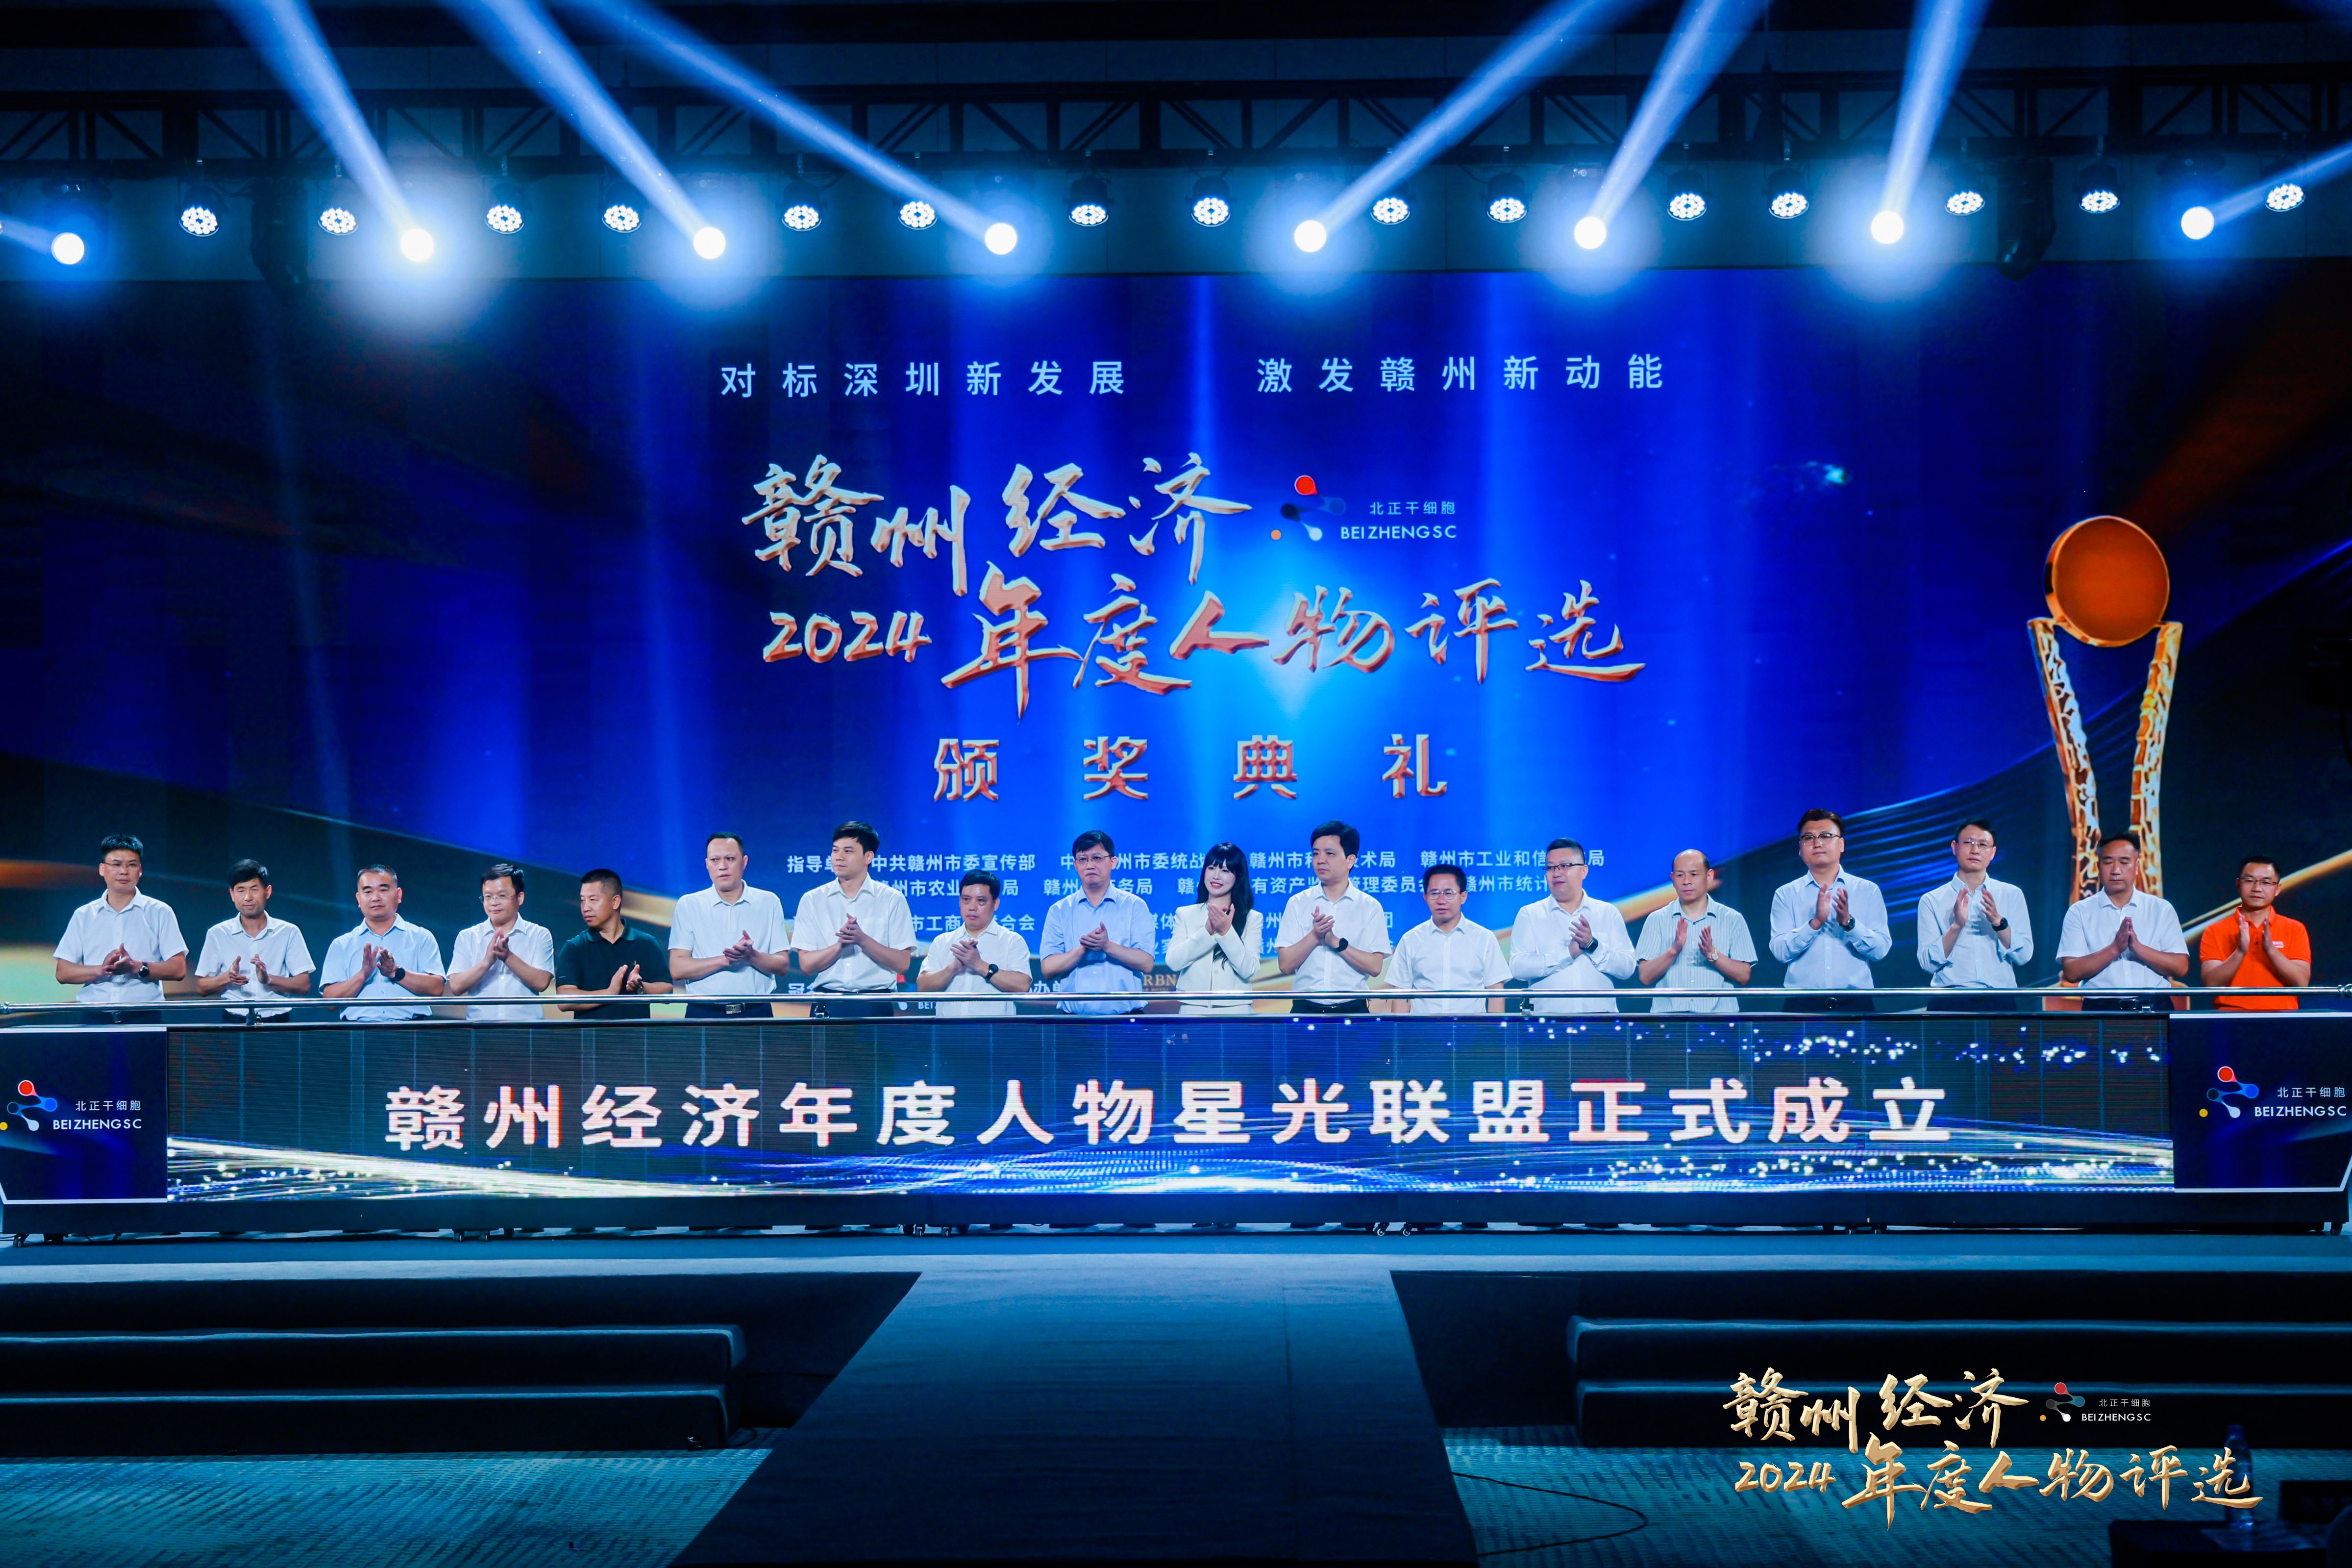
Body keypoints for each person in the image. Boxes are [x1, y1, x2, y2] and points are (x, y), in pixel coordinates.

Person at [53, 833, 189, 1022]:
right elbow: (63, 972)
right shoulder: (84, 915)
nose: (124, 871)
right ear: (102, 869)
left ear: (140, 870)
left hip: (145, 1018)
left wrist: (136, 967)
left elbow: (178, 969)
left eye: (132, 865)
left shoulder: (159, 911)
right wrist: (102, 970)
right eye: (116, 865)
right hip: (95, 1019)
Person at [1767, 810, 1891, 1012]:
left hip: (1855, 1004)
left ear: (1841, 844)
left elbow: (1880, 950)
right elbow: (1780, 952)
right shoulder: (1786, 894)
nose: (1817, 843)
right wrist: (1815, 924)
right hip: (1801, 1005)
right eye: (1809, 838)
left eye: (1826, 836)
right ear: (1800, 848)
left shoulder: (1867, 890)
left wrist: (1849, 924)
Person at [792, 821, 915, 1019]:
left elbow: (902, 963)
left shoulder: (892, 899)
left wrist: (863, 940)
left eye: (848, 851)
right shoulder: (813, 900)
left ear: (868, 857)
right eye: (835, 850)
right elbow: (806, 965)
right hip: (828, 1004)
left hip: (876, 1005)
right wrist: (840, 946)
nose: (838, 857)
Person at [2056, 831, 2191, 1010]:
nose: (2116, 870)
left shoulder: (2161, 909)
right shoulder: (2079, 912)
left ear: (2137, 866)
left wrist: (2138, 948)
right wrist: (2115, 949)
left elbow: (2181, 967)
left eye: (2124, 862)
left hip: (2153, 1008)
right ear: (2098, 867)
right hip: (2100, 1010)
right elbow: (2072, 972)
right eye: (2108, 862)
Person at [668, 833, 791, 1019]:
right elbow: (677, 968)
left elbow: (782, 966)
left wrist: (751, 956)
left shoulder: (768, 902)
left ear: (745, 862)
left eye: (730, 859)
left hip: (756, 1012)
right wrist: (725, 960)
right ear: (707, 864)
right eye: (715, 860)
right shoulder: (689, 904)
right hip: (703, 1013)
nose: (722, 866)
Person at [1915, 820, 2033, 1010]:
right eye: (1969, 843)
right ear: (1955, 847)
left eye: (1983, 845)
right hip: (1949, 1002)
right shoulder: (1932, 900)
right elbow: (1927, 963)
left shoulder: (2011, 894)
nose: (1975, 850)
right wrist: (1956, 927)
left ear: (1993, 853)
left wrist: (1998, 922)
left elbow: (2024, 956)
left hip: (1999, 1000)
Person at [1275, 821, 1391, 1014]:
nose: (1320, 860)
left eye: (1330, 854)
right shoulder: (1298, 903)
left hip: (1353, 1010)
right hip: (1306, 1010)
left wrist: (1336, 942)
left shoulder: (1369, 907)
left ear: (1350, 861)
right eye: (1316, 853)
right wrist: (1315, 936)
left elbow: (1375, 967)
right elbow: (1285, 965)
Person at [1510, 837, 1634, 1015]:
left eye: (1565, 866)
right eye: (1551, 868)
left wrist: (1593, 946)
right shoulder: (1530, 914)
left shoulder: (1607, 913)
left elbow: (1627, 968)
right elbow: (1518, 967)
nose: (1556, 873)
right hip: (1548, 1021)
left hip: (1600, 1021)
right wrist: (1567, 955)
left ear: (1584, 871)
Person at [1040, 830, 1155, 1014]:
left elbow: (1146, 963)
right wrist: (1082, 950)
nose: (1090, 865)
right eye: (1083, 859)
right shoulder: (1059, 910)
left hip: (1126, 1021)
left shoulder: (1134, 906)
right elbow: (1048, 969)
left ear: (1113, 862)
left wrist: (1107, 946)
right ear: (1075, 865)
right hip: (1073, 1022)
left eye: (1097, 858)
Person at [320, 864, 446, 1021]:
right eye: (368, 892)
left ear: (398, 895)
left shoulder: (421, 937)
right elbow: (330, 1001)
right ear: (359, 899)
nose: (376, 898)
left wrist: (396, 972)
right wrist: (363, 975)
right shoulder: (342, 944)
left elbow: (437, 988)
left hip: (412, 1030)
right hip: (359, 1031)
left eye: (383, 890)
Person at [1634, 849, 1755, 1014]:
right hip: (1669, 1021)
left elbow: (1744, 976)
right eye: (1680, 875)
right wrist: (1674, 951)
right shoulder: (1657, 919)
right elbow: (1645, 977)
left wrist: (1713, 954)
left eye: (1694, 874)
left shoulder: (1732, 919)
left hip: (1719, 1020)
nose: (1686, 882)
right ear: (1673, 879)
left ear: (1709, 876)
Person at [193, 859, 313, 1022]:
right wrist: (228, 977)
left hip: (278, 1023)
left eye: (254, 890)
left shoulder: (288, 932)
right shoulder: (218, 933)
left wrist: (269, 980)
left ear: (268, 892)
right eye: (241, 890)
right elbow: (202, 988)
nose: (248, 898)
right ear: (232, 894)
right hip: (234, 1023)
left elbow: (304, 985)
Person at [1380, 863, 1508, 1016]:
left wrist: (1493, 1030)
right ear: (1425, 898)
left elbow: (1496, 993)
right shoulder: (1410, 940)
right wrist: (1400, 1031)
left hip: (1471, 1029)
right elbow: (1401, 995)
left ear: (1463, 897)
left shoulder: (1484, 939)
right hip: (1424, 1029)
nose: (1441, 900)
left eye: (1449, 893)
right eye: (1434, 893)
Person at [555, 869, 673, 1020]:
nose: (586, 908)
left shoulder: (647, 943)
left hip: (635, 1033)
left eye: (593, 900)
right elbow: (564, 1000)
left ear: (615, 902)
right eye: (583, 900)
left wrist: (641, 987)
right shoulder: (574, 947)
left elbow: (667, 990)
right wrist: (609, 993)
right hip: (591, 1034)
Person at [916, 870, 1034, 1019]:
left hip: (994, 1030)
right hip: (948, 1030)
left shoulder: (1012, 941)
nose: (972, 907)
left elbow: (1022, 986)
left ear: (996, 904)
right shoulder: (943, 941)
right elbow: (923, 987)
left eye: (981, 901)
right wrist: (953, 969)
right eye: (966, 899)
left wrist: (979, 965)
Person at [446, 862, 556, 1023]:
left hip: (527, 1030)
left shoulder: (539, 934)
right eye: (488, 897)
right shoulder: (468, 936)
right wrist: (486, 962)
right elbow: (456, 987)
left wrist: (508, 957)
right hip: (480, 1030)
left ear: (520, 898)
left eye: (502, 896)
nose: (494, 902)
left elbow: (542, 983)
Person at [2199, 857, 2311, 1011]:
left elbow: (2302, 983)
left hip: (2283, 1017)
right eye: (2249, 881)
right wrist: (2240, 952)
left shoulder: (2295, 929)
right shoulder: (2215, 930)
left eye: (2266, 882)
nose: (2257, 888)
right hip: (2230, 1016)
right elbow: (2211, 984)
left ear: (2277, 889)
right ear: (2238, 884)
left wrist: (2271, 951)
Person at [1166, 842, 1264, 1016]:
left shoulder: (1252, 918)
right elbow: (1174, 962)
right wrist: (1207, 932)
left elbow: (1249, 969)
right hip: (1193, 1009)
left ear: (1238, 876)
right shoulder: (1185, 914)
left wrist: (1227, 932)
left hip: (1236, 1010)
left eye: (1225, 871)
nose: (1216, 876)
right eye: (1211, 868)